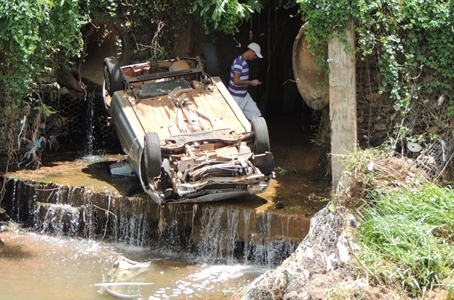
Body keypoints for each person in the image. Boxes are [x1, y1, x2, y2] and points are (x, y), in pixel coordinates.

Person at [228, 42, 263, 120]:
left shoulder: (244, 62)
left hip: (244, 96)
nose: (255, 57)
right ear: (251, 51)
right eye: (255, 55)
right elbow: (236, 81)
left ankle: (256, 130)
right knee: (234, 120)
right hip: (235, 97)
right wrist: (251, 82)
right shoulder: (239, 62)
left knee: (256, 115)